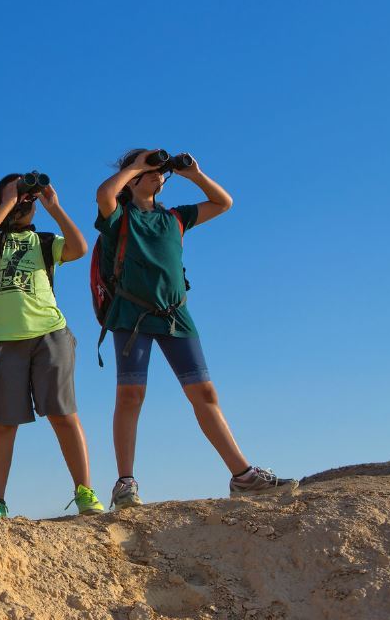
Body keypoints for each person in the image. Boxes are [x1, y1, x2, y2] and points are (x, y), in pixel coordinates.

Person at [95, 149, 298, 510]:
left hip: (175, 316)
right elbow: (105, 196)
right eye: (149, 169)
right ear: (132, 176)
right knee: (130, 396)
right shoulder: (119, 217)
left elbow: (223, 202)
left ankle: (243, 475)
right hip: (131, 316)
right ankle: (125, 483)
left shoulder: (176, 217)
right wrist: (137, 165)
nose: (158, 173)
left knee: (204, 393)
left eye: (160, 169)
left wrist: (194, 174)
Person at [0, 174, 104, 518]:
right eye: (16, 194)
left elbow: (79, 247)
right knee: (3, 422)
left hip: (49, 333)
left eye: (26, 196)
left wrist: (53, 207)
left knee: (63, 413)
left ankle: (84, 490)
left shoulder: (45, 241)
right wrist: (8, 203)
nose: (23, 201)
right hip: (0, 337)